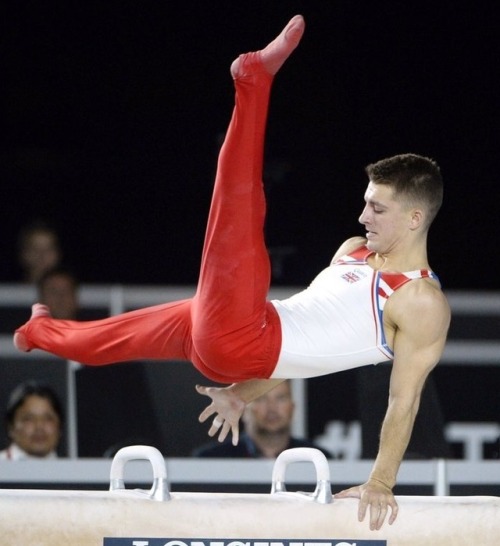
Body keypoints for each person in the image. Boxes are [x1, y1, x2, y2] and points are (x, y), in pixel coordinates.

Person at [13, 15, 450, 529]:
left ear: (416, 217)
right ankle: (38, 331)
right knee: (108, 339)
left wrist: (381, 480)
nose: (361, 217)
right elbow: (307, 349)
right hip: (230, 342)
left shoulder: (421, 301)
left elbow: (405, 399)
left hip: (245, 336)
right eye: (365, 203)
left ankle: (252, 81)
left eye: (378, 208)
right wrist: (239, 393)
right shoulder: (354, 249)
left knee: (240, 204)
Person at [192, 380, 331, 459]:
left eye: (280, 398)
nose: (272, 408)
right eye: (261, 399)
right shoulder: (212, 460)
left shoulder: (318, 459)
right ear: (243, 409)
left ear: (292, 408)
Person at [0, 380, 63, 460]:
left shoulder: (73, 471)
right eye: (28, 419)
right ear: (11, 428)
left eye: (48, 419)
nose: (39, 427)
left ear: (60, 428)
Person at [16, 220, 62, 284]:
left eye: (48, 249)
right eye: (35, 249)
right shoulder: (7, 291)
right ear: (23, 253)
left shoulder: (78, 292)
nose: (42, 256)